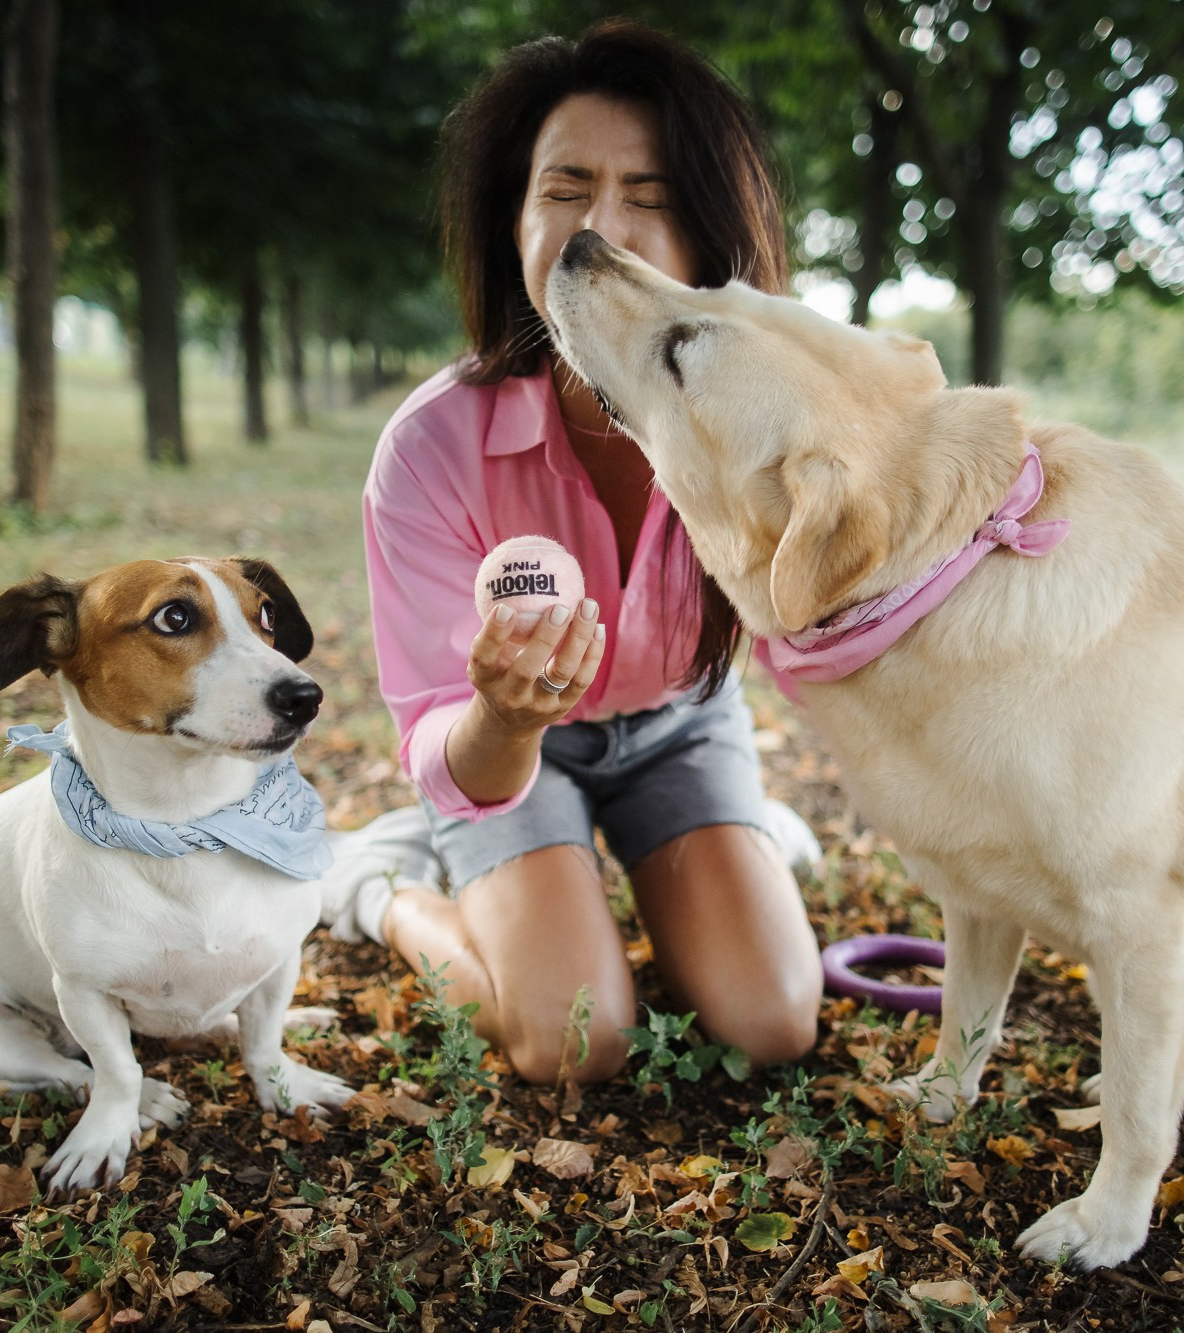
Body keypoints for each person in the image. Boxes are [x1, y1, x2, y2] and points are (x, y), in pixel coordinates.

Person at [322, 20, 825, 1085]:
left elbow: (830, 631)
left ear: (706, 236)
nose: (602, 229)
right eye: (565, 188)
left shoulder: (768, 427)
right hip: (513, 760)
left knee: (772, 1021)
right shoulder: (430, 447)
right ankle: (383, 886)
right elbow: (435, 737)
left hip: (677, 728)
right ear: (513, 217)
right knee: (573, 1040)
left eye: (649, 196)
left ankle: (731, 845)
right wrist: (505, 715)